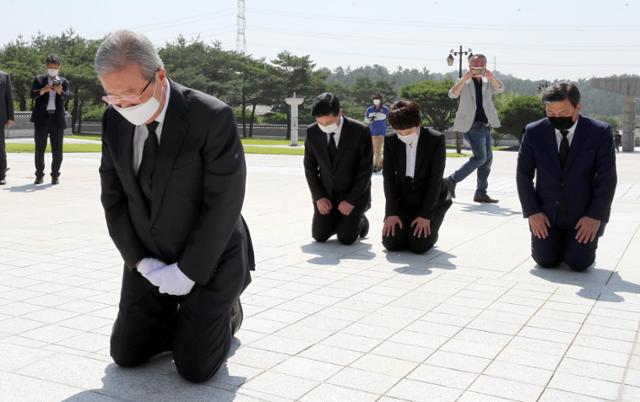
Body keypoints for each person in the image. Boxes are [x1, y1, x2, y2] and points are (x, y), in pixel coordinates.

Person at [95, 30, 254, 383]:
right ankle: (180, 318)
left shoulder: (211, 116)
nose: (124, 106)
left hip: (209, 256)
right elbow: (113, 198)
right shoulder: (114, 120)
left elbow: (223, 204)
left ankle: (226, 312)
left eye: (131, 95)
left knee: (195, 368)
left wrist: (187, 273)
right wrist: (140, 261)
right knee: (127, 354)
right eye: (113, 97)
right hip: (150, 256)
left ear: (160, 76)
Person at [517, 82, 617, 272]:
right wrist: (532, 212)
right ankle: (558, 244)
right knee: (545, 260)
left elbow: (607, 178)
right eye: (551, 113)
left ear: (577, 107)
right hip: (546, 214)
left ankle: (574, 246)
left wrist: (595, 216)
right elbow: (523, 175)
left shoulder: (600, 132)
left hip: (583, 215)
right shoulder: (533, 132)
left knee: (579, 263)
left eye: (562, 113)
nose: (556, 118)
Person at [382, 100, 452, 254]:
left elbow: (436, 179)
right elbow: (388, 178)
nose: (403, 135)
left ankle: (432, 226)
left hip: (431, 197)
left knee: (419, 246)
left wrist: (426, 215)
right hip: (405, 198)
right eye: (399, 132)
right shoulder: (390, 140)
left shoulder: (435, 139)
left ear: (418, 123)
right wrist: (391, 213)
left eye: (407, 131)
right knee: (391, 244)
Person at [304, 92, 372, 245]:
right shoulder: (312, 132)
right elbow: (310, 167)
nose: (324, 127)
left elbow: (365, 171)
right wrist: (319, 197)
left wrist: (351, 201)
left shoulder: (360, 131)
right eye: (320, 123)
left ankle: (360, 219)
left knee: (346, 238)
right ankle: (339, 220)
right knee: (319, 236)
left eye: (328, 123)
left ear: (340, 113)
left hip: (352, 195)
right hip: (326, 194)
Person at [444, 53, 504, 203]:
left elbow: (500, 88)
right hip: (471, 125)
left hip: (486, 125)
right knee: (480, 158)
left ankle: (481, 193)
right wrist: (465, 79)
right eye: (476, 65)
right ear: (469, 66)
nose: (479, 68)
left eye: (482, 65)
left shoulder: (488, 80)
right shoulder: (464, 81)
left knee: (487, 160)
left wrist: (492, 77)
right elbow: (452, 94)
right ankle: (451, 180)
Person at [30, 54, 69, 185]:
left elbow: (66, 97)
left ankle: (55, 176)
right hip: (42, 119)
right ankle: (39, 175)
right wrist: (43, 90)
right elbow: (32, 95)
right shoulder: (39, 79)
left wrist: (60, 92)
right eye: (50, 67)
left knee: (57, 150)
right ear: (46, 66)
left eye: (55, 67)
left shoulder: (64, 81)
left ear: (59, 67)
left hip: (57, 119)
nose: (53, 70)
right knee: (39, 149)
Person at [365, 93, 389, 172]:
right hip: (372, 132)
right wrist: (373, 118)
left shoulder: (385, 109)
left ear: (381, 100)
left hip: (381, 132)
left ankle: (375, 166)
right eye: (374, 99)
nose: (375, 100)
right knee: (375, 150)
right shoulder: (370, 109)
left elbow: (390, 119)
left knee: (378, 149)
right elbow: (366, 121)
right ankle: (381, 163)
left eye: (377, 99)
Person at [0, 69, 14, 185]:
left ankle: (1, 175)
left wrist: (11, 117)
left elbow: (9, 98)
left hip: (0, 117)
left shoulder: (4, 76)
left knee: (0, 147)